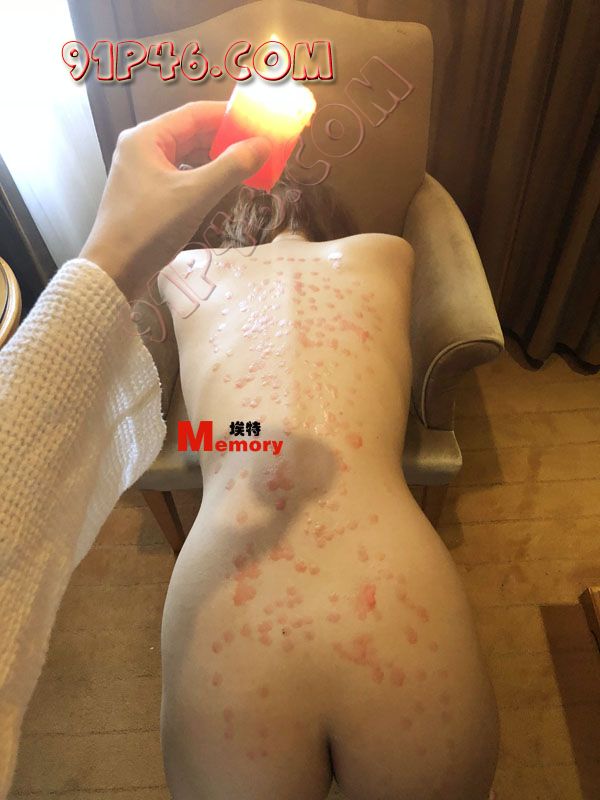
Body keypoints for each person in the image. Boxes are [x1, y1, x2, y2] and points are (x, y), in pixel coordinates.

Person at [157, 178, 500, 799]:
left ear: (237, 225)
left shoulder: (184, 273)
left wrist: (240, 437)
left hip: (227, 590)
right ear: (332, 221)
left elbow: (198, 442)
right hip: (393, 579)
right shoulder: (388, 253)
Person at [0, 100, 272, 800]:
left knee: (224, 438)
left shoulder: (189, 270)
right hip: (270, 439)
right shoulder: (374, 254)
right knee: (231, 437)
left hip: (237, 441)